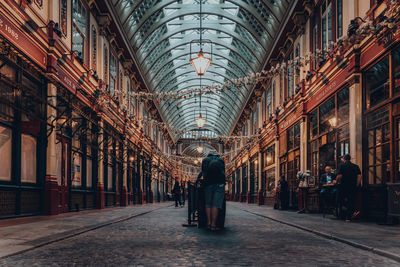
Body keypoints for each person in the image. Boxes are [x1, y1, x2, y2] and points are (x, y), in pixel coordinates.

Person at [202, 150, 225, 231]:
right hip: (219, 184)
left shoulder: (205, 160)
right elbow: (223, 173)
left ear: (208, 154)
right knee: (216, 204)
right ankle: (213, 225)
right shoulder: (221, 160)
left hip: (208, 184)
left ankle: (208, 223)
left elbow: (203, 173)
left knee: (208, 204)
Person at [335, 154, 362, 222]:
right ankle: (348, 217)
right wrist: (357, 185)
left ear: (344, 159)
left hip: (344, 186)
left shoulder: (342, 165)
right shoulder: (356, 166)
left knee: (341, 199)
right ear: (350, 159)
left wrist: (336, 181)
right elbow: (359, 176)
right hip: (352, 186)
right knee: (351, 201)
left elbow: (339, 175)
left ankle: (341, 215)